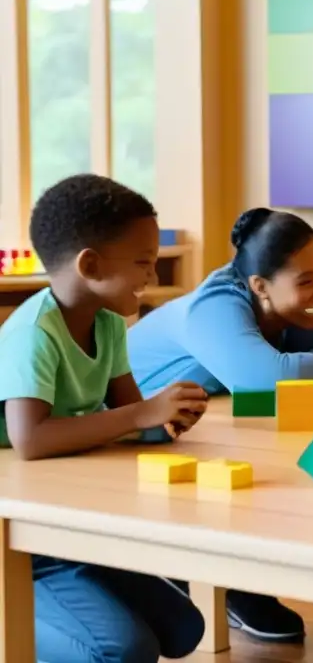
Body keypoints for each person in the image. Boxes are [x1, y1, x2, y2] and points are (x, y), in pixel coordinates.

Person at [128, 207, 313, 643]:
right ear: (260, 286)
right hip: (129, 439)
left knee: (284, 447)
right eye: (307, 281)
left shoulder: (293, 301)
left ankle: (236, 580)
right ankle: (201, 576)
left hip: (200, 426)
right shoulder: (214, 307)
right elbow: (267, 379)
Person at [0, 174, 207, 662]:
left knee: (183, 629)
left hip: (64, 515)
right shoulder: (32, 333)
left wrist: (166, 420)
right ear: (89, 264)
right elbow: (28, 439)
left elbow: (126, 415)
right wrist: (141, 413)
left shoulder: (110, 323)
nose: (151, 277)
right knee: (124, 651)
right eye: (142, 263)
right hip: (17, 533)